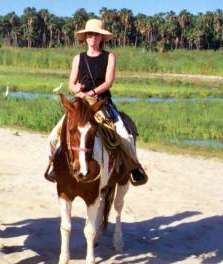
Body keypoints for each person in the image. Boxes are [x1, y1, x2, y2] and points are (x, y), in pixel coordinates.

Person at [46, 18, 148, 185]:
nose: (93, 38)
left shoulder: (109, 57)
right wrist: (76, 88)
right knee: (52, 137)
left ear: (101, 38)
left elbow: (108, 82)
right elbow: (71, 83)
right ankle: (53, 166)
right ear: (85, 37)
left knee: (125, 135)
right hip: (80, 103)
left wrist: (91, 92)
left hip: (101, 103)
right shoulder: (78, 58)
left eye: (96, 35)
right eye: (90, 34)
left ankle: (134, 167)